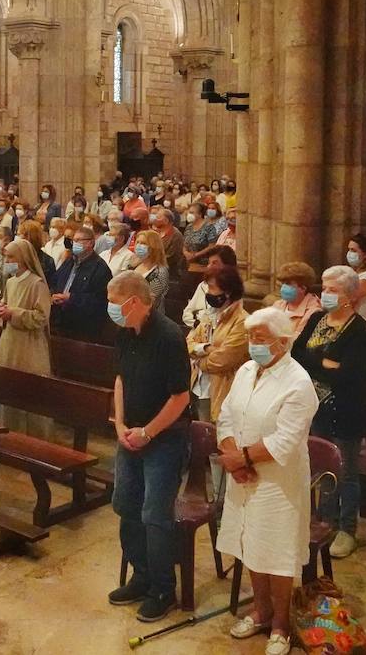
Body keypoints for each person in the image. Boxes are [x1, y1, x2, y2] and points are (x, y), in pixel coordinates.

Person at [215, 307, 319, 652]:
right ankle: (260, 611)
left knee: (276, 551)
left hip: (278, 482)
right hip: (243, 475)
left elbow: (285, 440)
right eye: (250, 338)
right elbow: (226, 415)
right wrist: (234, 459)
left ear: (283, 341)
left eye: (260, 339)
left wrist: (242, 457)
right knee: (251, 546)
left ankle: (280, 625)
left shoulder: (298, 383)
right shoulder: (247, 369)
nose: (253, 345)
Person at [106, 270, 191, 623]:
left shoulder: (170, 337)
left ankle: (162, 588)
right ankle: (140, 577)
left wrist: (148, 432)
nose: (110, 310)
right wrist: (122, 424)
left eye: (114, 304)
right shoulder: (126, 331)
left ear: (136, 302)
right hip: (131, 436)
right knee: (126, 506)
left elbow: (180, 396)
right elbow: (121, 378)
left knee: (154, 515)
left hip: (164, 440)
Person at [290, 265, 366, 559]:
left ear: (350, 296)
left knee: (347, 471)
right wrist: (324, 362)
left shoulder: (360, 330)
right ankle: (326, 520)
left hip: (346, 407)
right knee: (324, 469)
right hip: (315, 407)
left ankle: (347, 529)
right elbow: (296, 355)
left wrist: (319, 363)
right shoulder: (316, 318)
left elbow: (348, 375)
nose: (325, 294)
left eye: (333, 290)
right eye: (324, 288)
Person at [0, 239, 54, 434]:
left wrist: (14, 313)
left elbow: (41, 318)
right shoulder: (11, 281)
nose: (7, 260)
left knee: (29, 393)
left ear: (22, 258)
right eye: (5, 256)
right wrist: (4, 312)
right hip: (9, 341)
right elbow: (5, 308)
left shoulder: (36, 284)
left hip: (29, 346)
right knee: (8, 391)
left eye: (11, 256)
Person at [186, 266, 249, 425]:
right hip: (199, 385)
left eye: (212, 288)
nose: (208, 292)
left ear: (227, 291)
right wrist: (206, 348)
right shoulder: (209, 314)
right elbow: (188, 343)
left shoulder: (241, 320)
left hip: (222, 388)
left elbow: (223, 360)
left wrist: (198, 361)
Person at [50, 225, 113, 340]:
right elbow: (55, 281)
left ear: (90, 243)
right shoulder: (69, 261)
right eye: (74, 240)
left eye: (78, 240)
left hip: (83, 326)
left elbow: (100, 300)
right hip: (60, 320)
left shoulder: (100, 268)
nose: (75, 243)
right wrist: (53, 295)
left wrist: (72, 298)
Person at [181, 246, 238, 328]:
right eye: (209, 263)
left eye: (214, 263)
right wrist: (197, 324)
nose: (209, 267)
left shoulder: (235, 289)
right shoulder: (203, 286)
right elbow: (187, 313)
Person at [272, 261, 322, 335]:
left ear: (302, 288)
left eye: (288, 284)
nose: (283, 287)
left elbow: (297, 340)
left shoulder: (314, 312)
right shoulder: (278, 305)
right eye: (283, 283)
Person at [132, 229, 170, 309]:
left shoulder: (160, 272)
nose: (138, 246)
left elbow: (149, 299)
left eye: (143, 243)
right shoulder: (133, 265)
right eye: (137, 242)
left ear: (153, 246)